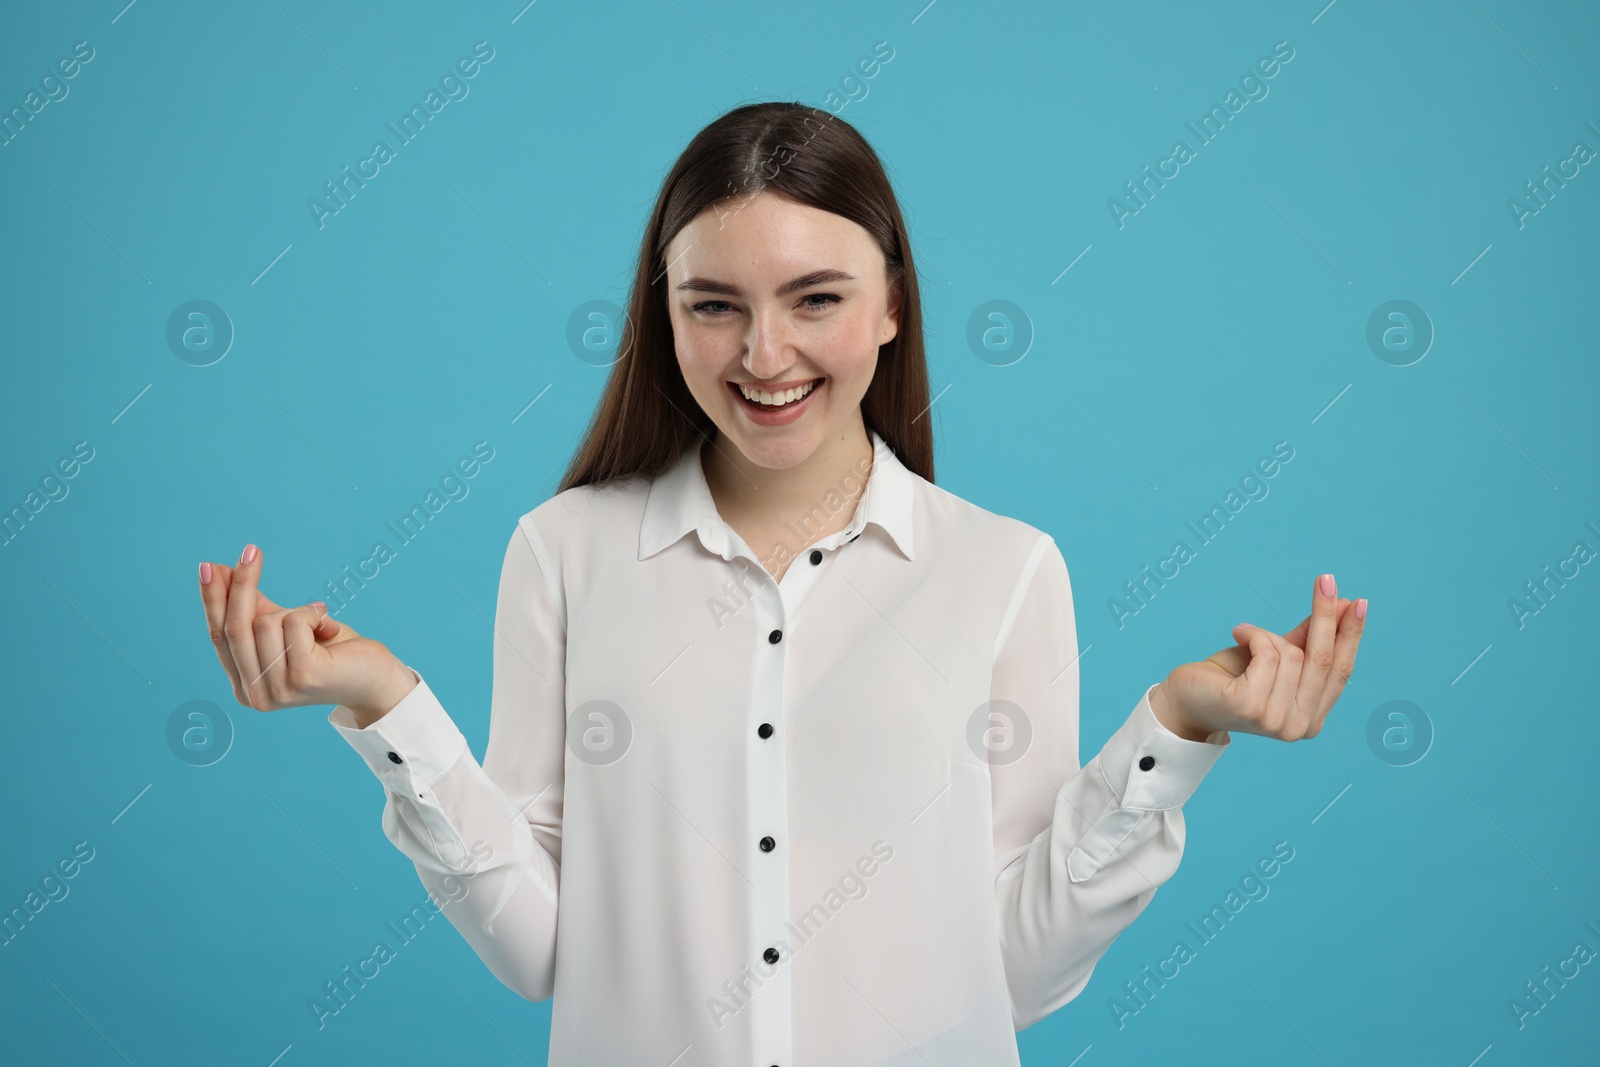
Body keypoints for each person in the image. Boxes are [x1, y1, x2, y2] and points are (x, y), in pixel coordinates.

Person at [196, 101, 1367, 1067]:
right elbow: (540, 953)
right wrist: (383, 704)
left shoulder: (1003, 569)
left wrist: (1176, 729)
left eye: (817, 298)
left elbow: (1017, 969)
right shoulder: (563, 553)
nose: (764, 357)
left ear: (893, 302)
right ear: (665, 313)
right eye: (715, 305)